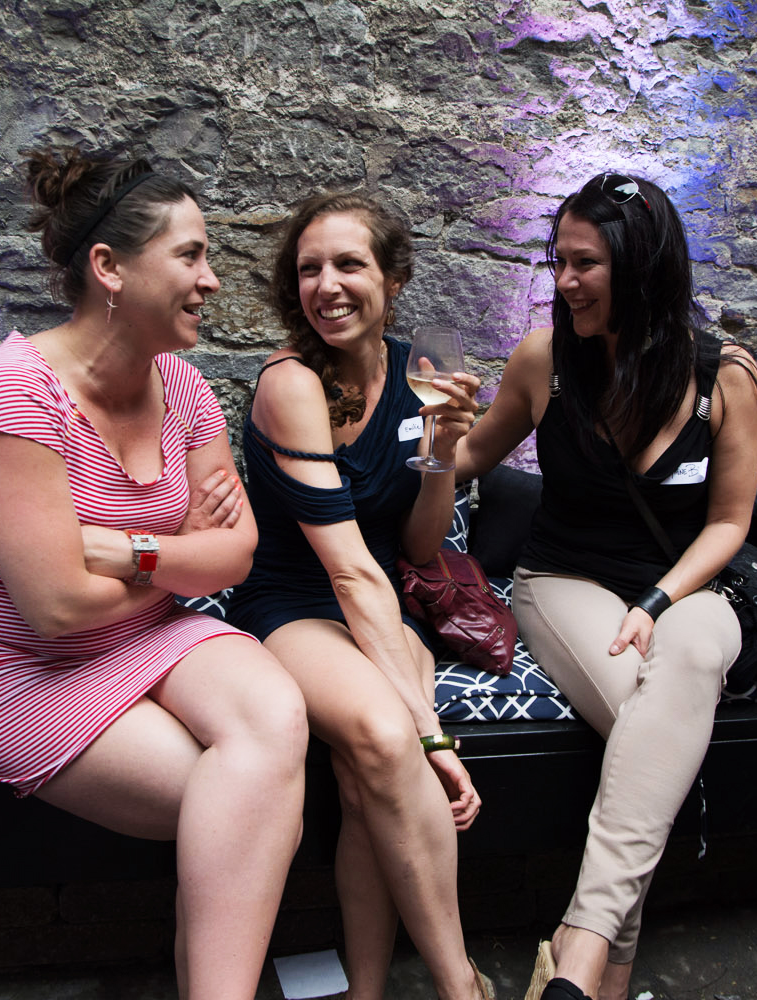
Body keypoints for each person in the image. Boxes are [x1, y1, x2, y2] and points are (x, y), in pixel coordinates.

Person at [0, 147, 307, 1000]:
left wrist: (124, 548)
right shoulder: (12, 394)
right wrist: (179, 552)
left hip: (156, 634)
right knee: (248, 804)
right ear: (109, 267)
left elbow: (236, 554)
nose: (212, 279)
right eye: (191, 255)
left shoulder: (184, 388)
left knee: (275, 716)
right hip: (27, 672)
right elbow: (58, 608)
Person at [453, 173, 757, 1000]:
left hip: (684, 587)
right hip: (565, 577)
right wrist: (425, 442)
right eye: (557, 260)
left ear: (642, 263)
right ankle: (597, 970)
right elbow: (470, 459)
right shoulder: (545, 361)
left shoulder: (725, 377)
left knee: (691, 663)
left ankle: (578, 952)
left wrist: (658, 602)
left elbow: (729, 523)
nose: (563, 282)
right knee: (650, 738)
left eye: (584, 263)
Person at [224, 192, 492, 1000]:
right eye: (309, 269)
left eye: (349, 264)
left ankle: (365, 991)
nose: (327, 285)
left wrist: (444, 450)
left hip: (378, 599)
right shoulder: (290, 383)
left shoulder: (416, 376)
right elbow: (343, 570)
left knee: (360, 775)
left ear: (394, 279)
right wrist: (434, 735)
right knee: (385, 733)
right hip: (294, 601)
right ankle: (461, 985)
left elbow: (419, 548)